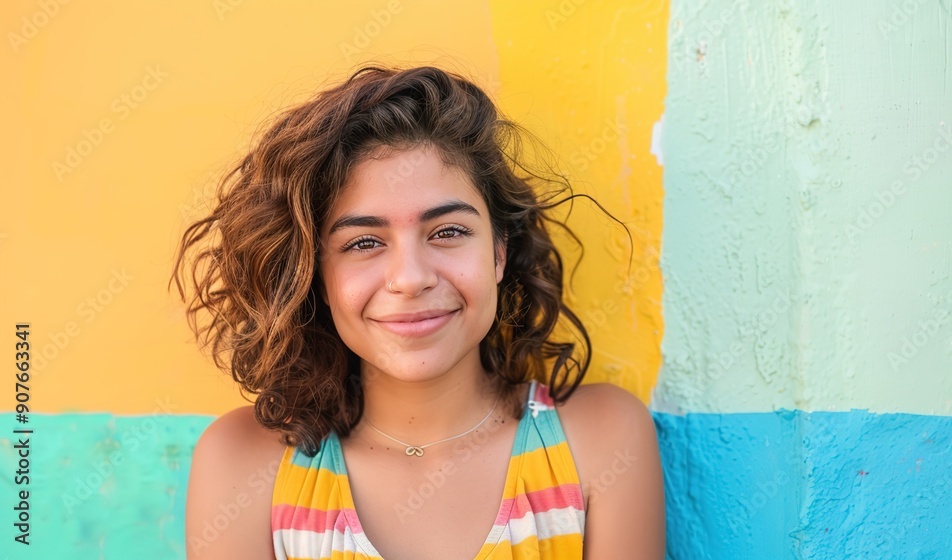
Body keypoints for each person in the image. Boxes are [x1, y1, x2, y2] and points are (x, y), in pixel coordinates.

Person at [173, 65, 665, 559]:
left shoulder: (601, 439)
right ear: (316, 276)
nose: (410, 278)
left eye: (448, 232)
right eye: (363, 242)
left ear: (498, 251)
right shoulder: (243, 463)